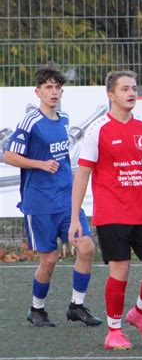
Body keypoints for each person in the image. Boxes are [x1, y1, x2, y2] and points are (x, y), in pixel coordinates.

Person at [68, 70, 142, 350]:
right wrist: (75, 218)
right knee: (119, 270)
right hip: (112, 214)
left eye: (134, 88)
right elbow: (83, 175)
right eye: (124, 89)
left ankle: (139, 314)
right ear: (111, 95)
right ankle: (114, 332)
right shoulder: (98, 130)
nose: (131, 93)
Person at [4, 62, 101, 327]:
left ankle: (76, 306)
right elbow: (9, 155)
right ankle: (37, 309)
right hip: (40, 203)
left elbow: (63, 157)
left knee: (87, 247)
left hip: (66, 201)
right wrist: (40, 164)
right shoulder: (31, 121)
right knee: (50, 258)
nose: (54, 92)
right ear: (38, 92)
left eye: (57, 87)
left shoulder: (65, 119)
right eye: (48, 87)